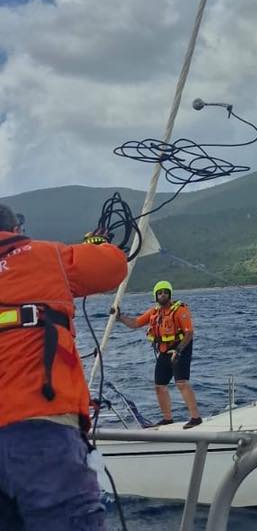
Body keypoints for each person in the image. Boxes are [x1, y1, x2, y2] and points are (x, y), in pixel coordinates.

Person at [0, 203, 128, 530]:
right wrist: (95, 245)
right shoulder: (45, 255)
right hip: (40, 433)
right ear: (15, 229)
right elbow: (113, 267)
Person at [116, 280, 202, 428]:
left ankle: (196, 418)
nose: (163, 295)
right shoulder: (154, 313)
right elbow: (135, 323)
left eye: (165, 292)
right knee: (159, 385)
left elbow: (189, 334)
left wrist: (179, 350)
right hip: (164, 350)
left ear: (170, 295)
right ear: (156, 296)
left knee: (181, 382)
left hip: (180, 347)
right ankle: (167, 419)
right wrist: (120, 317)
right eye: (160, 293)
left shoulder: (180, 310)